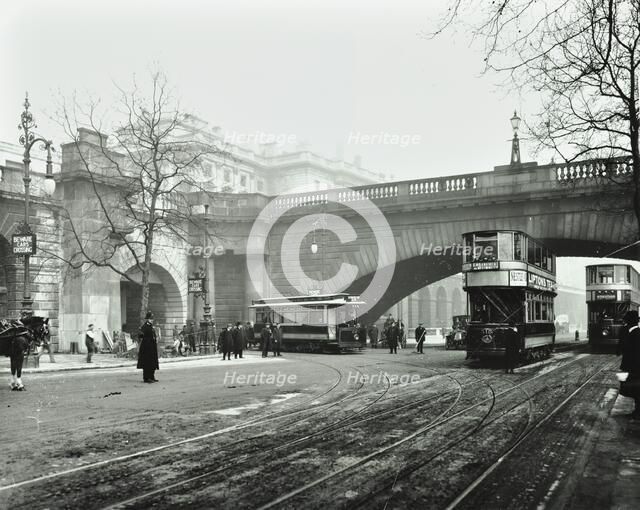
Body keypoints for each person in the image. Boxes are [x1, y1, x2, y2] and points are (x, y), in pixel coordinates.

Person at [620, 310, 640, 418]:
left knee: (636, 390)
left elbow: (632, 353)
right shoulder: (635, 333)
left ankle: (638, 412)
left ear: (629, 322)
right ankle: (637, 410)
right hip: (635, 367)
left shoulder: (634, 334)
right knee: (636, 390)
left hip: (635, 368)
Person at [137, 312, 159, 383]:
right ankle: (146, 378)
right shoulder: (145, 326)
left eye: (152, 318)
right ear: (147, 319)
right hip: (146, 347)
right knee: (147, 363)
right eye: (150, 318)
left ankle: (152, 377)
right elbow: (140, 335)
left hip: (152, 347)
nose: (152, 320)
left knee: (152, 362)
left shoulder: (151, 326)